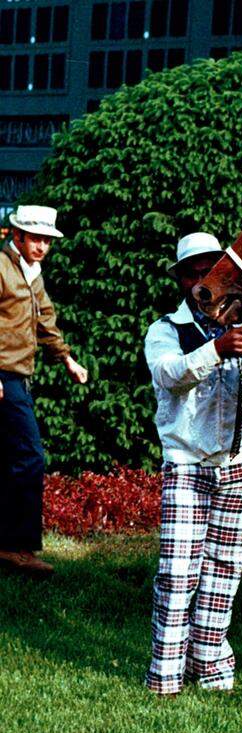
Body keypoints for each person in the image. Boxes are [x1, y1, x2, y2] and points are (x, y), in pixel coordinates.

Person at [143, 232, 242, 695]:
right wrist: (216, 350)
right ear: (181, 279)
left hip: (238, 464)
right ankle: (165, 675)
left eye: (210, 269)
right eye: (193, 272)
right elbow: (169, 375)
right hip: (186, 464)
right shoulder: (166, 329)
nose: (201, 280)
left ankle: (211, 667)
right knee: (178, 572)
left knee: (224, 571)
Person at [0, 205, 88, 579]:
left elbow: (44, 319)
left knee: (11, 460)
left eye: (47, 241)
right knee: (30, 457)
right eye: (35, 239)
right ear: (17, 235)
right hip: (4, 377)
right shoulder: (2, 267)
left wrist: (67, 359)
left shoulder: (31, 271)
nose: (42, 247)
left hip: (17, 377)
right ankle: (17, 548)